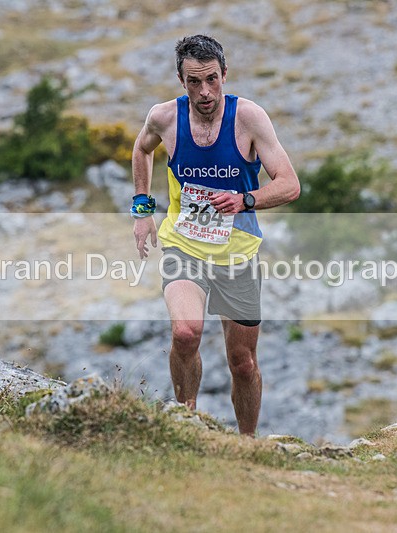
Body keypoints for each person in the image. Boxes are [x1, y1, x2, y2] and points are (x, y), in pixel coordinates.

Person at [131, 34, 300, 436]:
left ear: (225, 74)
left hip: (238, 254)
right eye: (194, 82)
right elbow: (142, 149)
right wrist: (142, 210)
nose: (204, 92)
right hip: (183, 246)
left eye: (211, 80)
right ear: (181, 80)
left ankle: (246, 444)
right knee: (186, 332)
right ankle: (184, 424)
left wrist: (245, 200)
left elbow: (290, 184)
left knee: (243, 362)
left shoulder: (249, 119)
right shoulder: (165, 118)